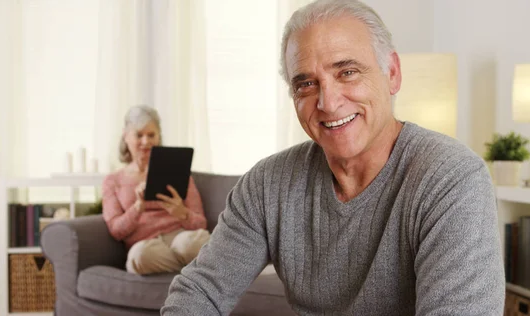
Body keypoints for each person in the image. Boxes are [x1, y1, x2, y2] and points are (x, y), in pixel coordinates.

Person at [162, 0, 505, 315]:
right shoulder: (268, 183)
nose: (327, 101)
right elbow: (200, 291)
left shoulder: (452, 178)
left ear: (393, 73)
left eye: (347, 72)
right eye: (306, 84)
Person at [102, 105, 210, 275]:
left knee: (194, 242)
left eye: (151, 135)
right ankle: (199, 267)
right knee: (139, 257)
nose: (146, 142)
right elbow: (116, 231)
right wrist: (138, 208)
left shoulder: (178, 172)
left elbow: (201, 223)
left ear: (158, 137)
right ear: (126, 136)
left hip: (181, 239)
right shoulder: (113, 181)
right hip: (148, 247)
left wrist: (182, 213)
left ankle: (197, 264)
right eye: (139, 135)